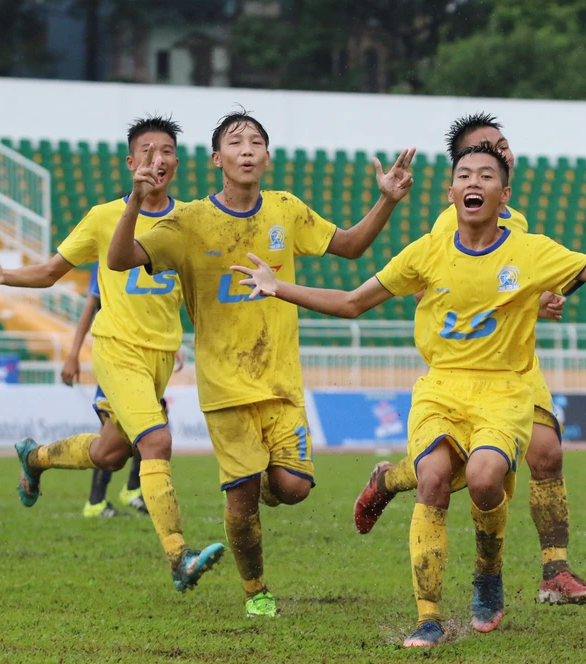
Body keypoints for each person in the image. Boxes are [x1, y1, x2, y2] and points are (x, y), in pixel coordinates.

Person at [230, 145, 586, 647]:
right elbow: (351, 302)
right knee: (432, 477)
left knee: (483, 478)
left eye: (486, 176)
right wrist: (277, 286)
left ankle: (487, 572)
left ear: (505, 195)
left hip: (503, 390)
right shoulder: (428, 251)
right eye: (464, 175)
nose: (474, 182)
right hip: (442, 388)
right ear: (450, 192)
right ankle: (428, 618)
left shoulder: (531, 250)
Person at [105, 110, 416, 617]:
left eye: (255, 142)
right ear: (216, 159)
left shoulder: (286, 209)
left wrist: (387, 200)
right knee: (242, 498)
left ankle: (258, 483)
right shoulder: (188, 222)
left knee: (293, 488)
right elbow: (118, 259)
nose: (246, 149)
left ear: (267, 157)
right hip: (225, 388)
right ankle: (256, 591)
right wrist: (136, 201)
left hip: (281, 381)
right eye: (235, 142)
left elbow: (351, 246)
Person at [0, 116, 225, 591]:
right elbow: (50, 272)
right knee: (157, 443)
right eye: (147, 151)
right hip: (117, 349)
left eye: (166, 151)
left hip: (162, 355)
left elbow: (199, 281)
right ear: (130, 162)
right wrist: (4, 275)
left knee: (110, 454)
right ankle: (178, 557)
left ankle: (35, 458)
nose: (157, 159)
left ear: (177, 163)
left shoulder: (189, 218)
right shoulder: (104, 216)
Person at [353, 113, 586, 605]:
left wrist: (539, 300)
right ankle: (393, 478)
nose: (499, 152)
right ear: (457, 171)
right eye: (484, 147)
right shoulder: (450, 223)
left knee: (547, 454)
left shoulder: (515, 221)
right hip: (467, 370)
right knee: (453, 471)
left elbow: (515, 280)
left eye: (502, 145)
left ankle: (555, 571)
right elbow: (437, 289)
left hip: (514, 366)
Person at [63, 263, 185, 517]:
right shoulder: (108, 255)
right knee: (112, 431)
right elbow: (90, 306)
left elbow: (151, 306)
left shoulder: (153, 252)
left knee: (154, 418)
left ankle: (130, 489)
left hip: (144, 356)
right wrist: (73, 354)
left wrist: (170, 343)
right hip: (116, 355)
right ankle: (96, 501)